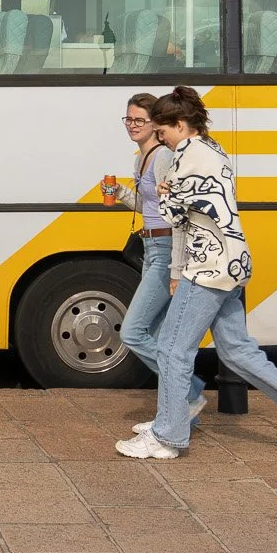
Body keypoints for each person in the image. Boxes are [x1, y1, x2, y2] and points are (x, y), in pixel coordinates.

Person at [116, 89, 277, 465]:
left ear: (179, 126)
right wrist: (174, 263)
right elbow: (189, 216)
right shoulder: (210, 149)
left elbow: (172, 216)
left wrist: (167, 196)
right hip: (227, 261)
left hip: (209, 266)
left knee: (170, 348)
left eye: (163, 128)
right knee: (237, 350)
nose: (159, 135)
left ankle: (168, 437)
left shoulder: (191, 159)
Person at [100, 93, 175, 369]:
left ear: (155, 123)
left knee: (133, 331)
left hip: (166, 248)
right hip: (151, 247)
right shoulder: (140, 159)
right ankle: (176, 407)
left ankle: (188, 390)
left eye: (139, 120)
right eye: (128, 119)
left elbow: (173, 206)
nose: (132, 125)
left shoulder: (164, 156)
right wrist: (120, 192)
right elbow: (148, 206)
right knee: (155, 331)